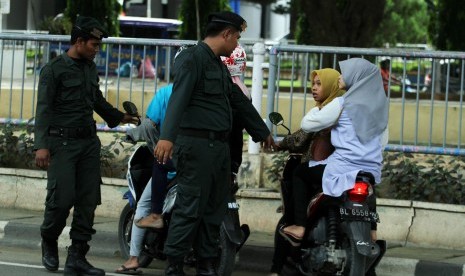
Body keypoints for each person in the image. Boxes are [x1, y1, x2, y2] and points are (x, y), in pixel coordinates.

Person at [153, 11, 274, 276]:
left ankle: (206, 263)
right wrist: (167, 137)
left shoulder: (218, 66)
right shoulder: (192, 59)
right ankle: (174, 264)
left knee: (214, 209)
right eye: (237, 37)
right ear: (226, 34)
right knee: (190, 207)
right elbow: (179, 98)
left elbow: (238, 102)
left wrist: (262, 131)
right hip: (195, 146)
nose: (237, 44)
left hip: (218, 149)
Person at [34, 16, 140, 275]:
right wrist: (41, 146)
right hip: (61, 143)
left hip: (87, 143)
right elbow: (44, 110)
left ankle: (77, 257)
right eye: (93, 44)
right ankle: (49, 239)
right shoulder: (54, 70)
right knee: (61, 200)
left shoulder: (90, 69)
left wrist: (119, 117)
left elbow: (96, 100)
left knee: (88, 201)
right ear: (79, 42)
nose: (96, 49)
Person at [280, 58, 388, 248]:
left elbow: (308, 125)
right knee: (366, 187)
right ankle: (372, 231)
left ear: (357, 77)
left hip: (343, 165)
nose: (340, 77)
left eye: (345, 74)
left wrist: (316, 112)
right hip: (371, 168)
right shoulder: (380, 107)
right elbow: (382, 142)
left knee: (300, 173)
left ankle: (300, 227)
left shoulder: (342, 102)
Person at [269, 68, 344, 275]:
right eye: (314, 83)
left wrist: (280, 143)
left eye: (320, 84)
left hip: (318, 173)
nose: (314, 87)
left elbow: (299, 139)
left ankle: (277, 269)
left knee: (287, 220)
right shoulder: (346, 108)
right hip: (346, 172)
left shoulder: (324, 112)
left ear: (330, 86)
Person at [115, 83, 174, 275]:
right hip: (203, 162)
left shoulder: (166, 93)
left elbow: (148, 125)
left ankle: (133, 259)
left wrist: (134, 134)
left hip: (171, 163)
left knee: (144, 204)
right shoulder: (211, 89)